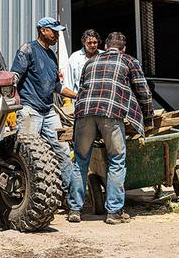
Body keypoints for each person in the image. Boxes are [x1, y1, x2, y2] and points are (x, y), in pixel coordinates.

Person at [67, 32, 153, 225]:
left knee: (80, 160)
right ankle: (114, 212)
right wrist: (148, 119)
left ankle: (74, 210)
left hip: (84, 112)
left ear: (105, 47)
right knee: (116, 160)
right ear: (123, 49)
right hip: (111, 113)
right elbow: (143, 91)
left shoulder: (91, 61)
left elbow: (82, 88)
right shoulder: (129, 61)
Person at [11, 17, 77, 198]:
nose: (56, 35)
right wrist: (12, 105)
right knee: (27, 153)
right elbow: (14, 77)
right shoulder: (28, 50)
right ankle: (24, 193)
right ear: (42, 30)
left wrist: (77, 95)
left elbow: (57, 86)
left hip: (48, 111)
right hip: (29, 109)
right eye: (53, 31)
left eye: (57, 31)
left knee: (63, 150)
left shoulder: (51, 56)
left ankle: (67, 196)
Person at [64, 29, 103, 94]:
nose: (92, 45)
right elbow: (68, 81)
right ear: (84, 43)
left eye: (95, 42)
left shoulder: (103, 55)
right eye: (89, 43)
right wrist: (68, 101)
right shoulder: (75, 57)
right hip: (80, 97)